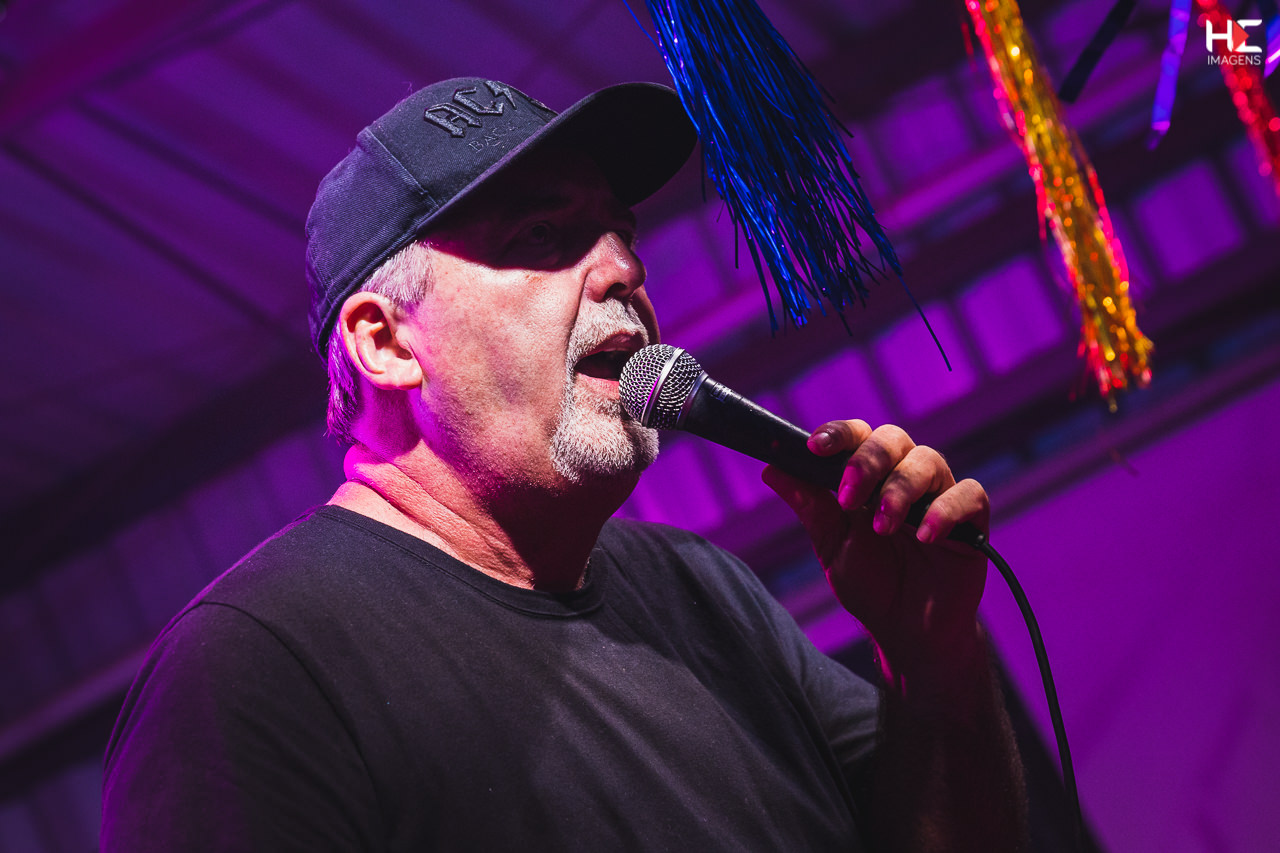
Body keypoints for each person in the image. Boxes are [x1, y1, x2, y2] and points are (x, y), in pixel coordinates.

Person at [101, 77, 1027, 851]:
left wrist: (932, 659)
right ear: (385, 343)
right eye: (542, 236)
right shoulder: (253, 668)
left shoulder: (702, 589)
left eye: (621, 231)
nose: (624, 267)